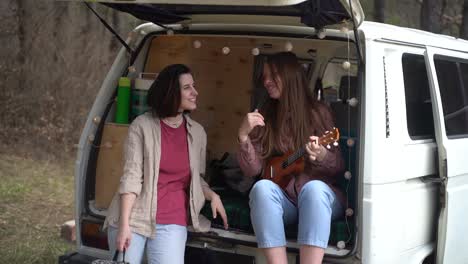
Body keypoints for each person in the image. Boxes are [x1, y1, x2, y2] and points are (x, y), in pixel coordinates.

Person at [104, 64, 228, 264]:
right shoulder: (141, 126)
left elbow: (195, 178)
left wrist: (212, 195)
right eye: (187, 87)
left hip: (172, 221)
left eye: (193, 86)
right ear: (171, 92)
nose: (195, 92)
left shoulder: (197, 133)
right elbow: (131, 177)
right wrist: (124, 225)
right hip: (135, 216)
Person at [237, 52, 344, 264]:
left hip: (319, 200)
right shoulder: (265, 114)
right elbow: (254, 171)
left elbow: (338, 167)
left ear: (290, 76)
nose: (266, 81)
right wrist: (242, 136)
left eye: (272, 75)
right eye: (264, 76)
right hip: (285, 199)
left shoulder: (318, 112)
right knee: (261, 188)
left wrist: (322, 154)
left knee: (313, 189)